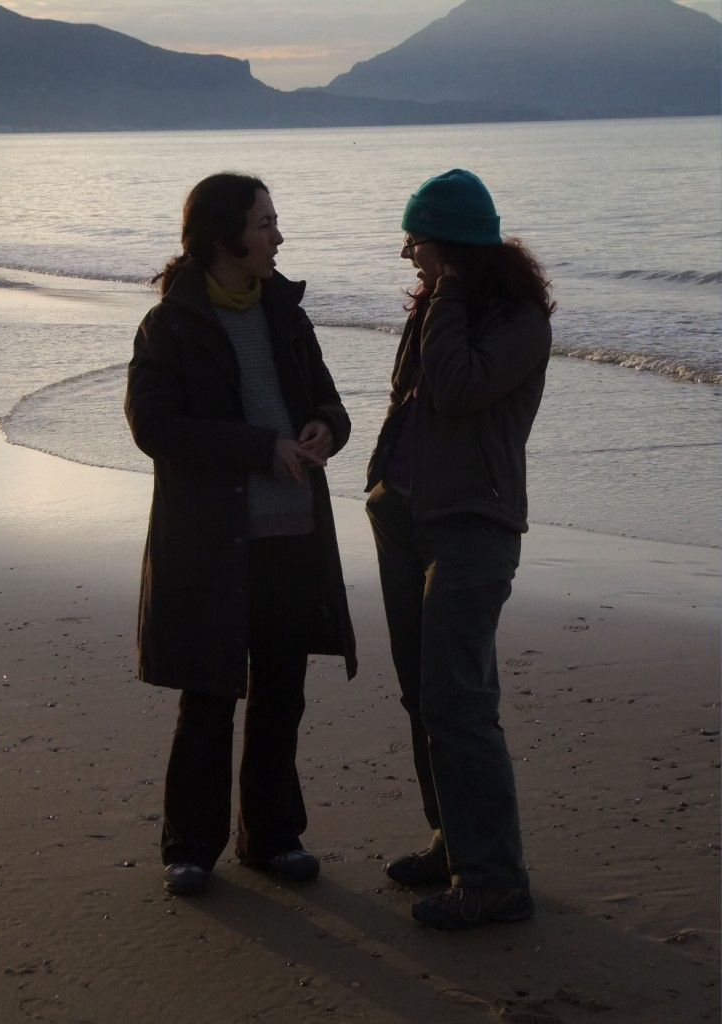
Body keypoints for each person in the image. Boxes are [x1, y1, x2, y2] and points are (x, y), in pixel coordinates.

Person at [125, 172, 357, 896]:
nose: (278, 236)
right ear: (226, 236)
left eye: (274, 222)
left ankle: (273, 838)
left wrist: (325, 428)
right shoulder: (171, 324)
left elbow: (331, 403)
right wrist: (260, 448)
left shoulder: (286, 312)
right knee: (209, 696)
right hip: (211, 542)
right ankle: (191, 848)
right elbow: (154, 427)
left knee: (282, 693)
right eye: (264, 224)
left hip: (292, 535)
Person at [365, 169, 555, 930]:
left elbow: (454, 387)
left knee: (459, 702)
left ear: (449, 245)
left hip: (474, 526)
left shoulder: (519, 322)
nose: (408, 254)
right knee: (424, 695)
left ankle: (495, 879)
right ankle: (453, 841)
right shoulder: (437, 306)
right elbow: (406, 399)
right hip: (404, 517)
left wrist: (443, 295)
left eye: (417, 241)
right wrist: (382, 482)